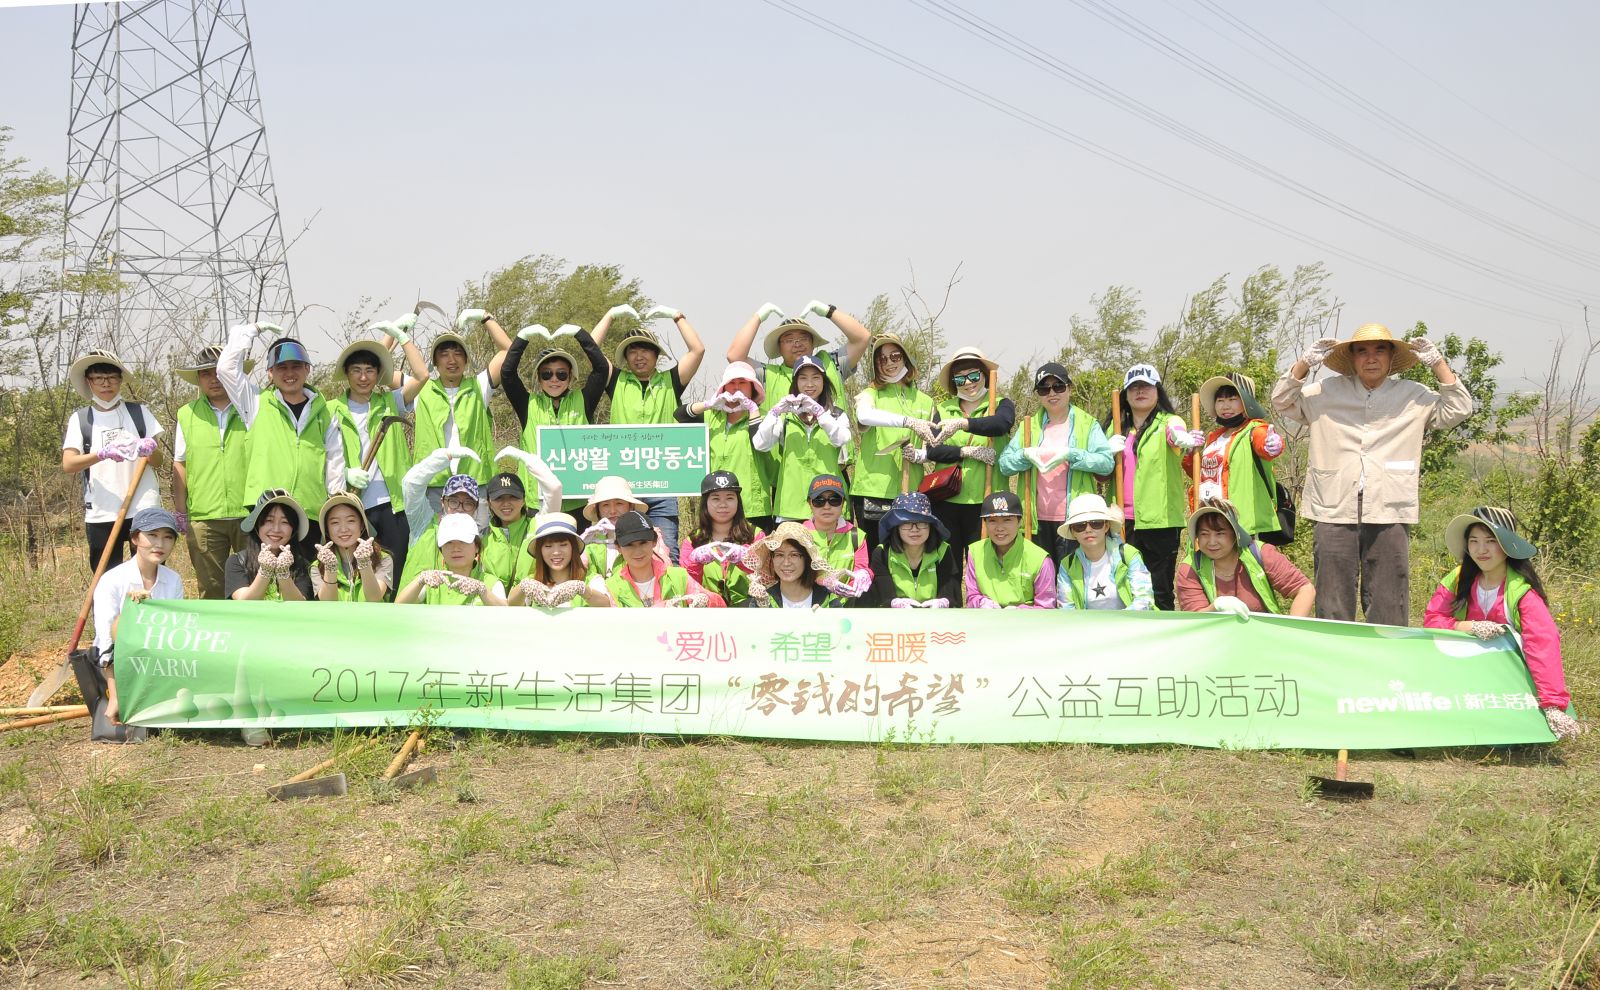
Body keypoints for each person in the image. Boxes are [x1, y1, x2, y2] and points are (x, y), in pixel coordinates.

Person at [1272, 324, 1472, 625]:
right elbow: (1281, 401)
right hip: (1334, 504)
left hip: (1389, 504)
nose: (1371, 358)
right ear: (1352, 358)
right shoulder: (1326, 392)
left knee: (1388, 597)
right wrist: (1304, 363)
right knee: (1333, 597)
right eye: (1362, 351)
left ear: (1391, 357)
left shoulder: (1412, 395)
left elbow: (1459, 408)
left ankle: (1388, 653)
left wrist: (1437, 363)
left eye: (1380, 350)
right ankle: (1336, 652)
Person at [1423, 507, 1579, 740]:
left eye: (1490, 541)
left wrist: (1552, 705)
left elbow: (1542, 644)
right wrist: (1466, 627)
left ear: (1507, 545)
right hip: (1465, 671)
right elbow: (1432, 619)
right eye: (1474, 541)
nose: (1481, 550)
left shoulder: (1522, 593)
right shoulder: (1458, 578)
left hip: (1510, 678)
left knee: (1508, 740)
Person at [593, 302, 706, 560]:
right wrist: (610, 314)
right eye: (632, 351)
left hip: (662, 484)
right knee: (620, 554)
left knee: (667, 554)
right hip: (624, 488)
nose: (639, 356)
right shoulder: (616, 380)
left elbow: (697, 350)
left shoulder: (671, 381)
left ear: (656, 355)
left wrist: (677, 316)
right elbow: (590, 347)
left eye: (645, 349)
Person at [219, 323, 347, 540]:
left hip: (310, 512)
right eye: (281, 367)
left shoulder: (324, 412)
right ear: (270, 373)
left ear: (307, 369)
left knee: (309, 564)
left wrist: (336, 505)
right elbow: (225, 370)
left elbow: (335, 462)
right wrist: (249, 333)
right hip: (266, 512)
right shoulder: (255, 403)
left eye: (296, 366)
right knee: (265, 564)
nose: (289, 373)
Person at [329, 326, 427, 581]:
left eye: (370, 370)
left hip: (393, 504)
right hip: (354, 505)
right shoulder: (330, 409)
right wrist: (344, 473)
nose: (363, 377)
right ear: (347, 373)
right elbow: (320, 454)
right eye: (356, 370)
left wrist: (403, 338)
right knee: (359, 572)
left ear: (378, 374)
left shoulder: (390, 402)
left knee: (397, 570)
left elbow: (422, 375)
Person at [1102, 364, 1198, 612]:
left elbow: (1176, 433)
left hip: (1160, 521)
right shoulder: (1116, 428)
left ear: (1157, 390)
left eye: (1146, 386)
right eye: (1134, 387)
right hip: (1120, 520)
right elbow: (1101, 476)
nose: (1140, 391)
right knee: (1124, 586)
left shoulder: (1169, 421)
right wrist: (1105, 453)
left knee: (1159, 589)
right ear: (1125, 394)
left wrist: (1181, 438)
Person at [60, 348, 164, 570]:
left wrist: (148, 448)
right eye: (99, 378)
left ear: (120, 380)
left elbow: (158, 461)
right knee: (105, 574)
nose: (106, 384)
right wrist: (101, 454)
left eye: (112, 378)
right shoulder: (81, 419)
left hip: (143, 506)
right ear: (89, 382)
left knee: (150, 571)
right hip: (102, 509)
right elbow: (68, 464)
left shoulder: (139, 413)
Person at [997, 362, 1114, 555]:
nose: (1051, 393)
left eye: (1058, 386)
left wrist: (1071, 454)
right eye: (1044, 389)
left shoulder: (1087, 423)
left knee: (1071, 573)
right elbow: (1005, 464)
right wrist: (1024, 455)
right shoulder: (1029, 425)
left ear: (1069, 388)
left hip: (1075, 521)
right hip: (1035, 521)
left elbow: (1106, 463)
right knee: (1041, 574)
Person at [922, 346, 1015, 579]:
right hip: (948, 498)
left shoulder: (1000, 404)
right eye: (960, 378)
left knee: (984, 567)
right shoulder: (943, 409)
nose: (968, 383)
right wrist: (964, 452)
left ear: (984, 375)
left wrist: (964, 424)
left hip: (987, 501)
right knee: (948, 568)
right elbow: (933, 450)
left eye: (973, 375)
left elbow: (1001, 424)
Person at [92, 507, 185, 724]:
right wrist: (116, 697)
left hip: (161, 662)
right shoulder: (112, 580)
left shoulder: (173, 580)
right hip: (121, 665)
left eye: (168, 537)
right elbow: (106, 639)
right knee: (120, 622)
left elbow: (176, 631)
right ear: (135, 539)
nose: (160, 544)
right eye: (152, 535)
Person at [408, 308, 512, 502]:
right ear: (435, 361)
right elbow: (379, 373)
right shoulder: (421, 390)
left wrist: (485, 317)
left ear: (466, 360)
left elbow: (508, 351)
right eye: (444, 354)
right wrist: (399, 333)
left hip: (476, 481)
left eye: (458, 353)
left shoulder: (479, 386)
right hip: (434, 483)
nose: (452, 360)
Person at [501, 322, 608, 505]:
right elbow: (507, 373)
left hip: (576, 501)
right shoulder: (528, 404)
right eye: (547, 374)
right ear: (538, 378)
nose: (554, 380)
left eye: (561, 374)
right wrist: (523, 337)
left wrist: (580, 333)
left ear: (570, 376)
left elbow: (602, 369)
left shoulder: (583, 400)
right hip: (537, 501)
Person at [851, 332, 937, 555]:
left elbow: (934, 446)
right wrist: (907, 421)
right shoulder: (870, 394)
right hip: (873, 489)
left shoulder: (926, 401)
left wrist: (920, 455)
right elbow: (864, 416)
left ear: (906, 358)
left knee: (908, 555)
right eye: (882, 359)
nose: (889, 363)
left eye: (895, 356)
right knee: (876, 555)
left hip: (911, 492)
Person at [172, 345, 247, 598]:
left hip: (250, 513)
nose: (214, 379)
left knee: (255, 585)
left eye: (219, 372)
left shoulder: (252, 408)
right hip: (205, 516)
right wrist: (181, 511)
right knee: (212, 588)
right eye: (206, 373)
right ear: (198, 378)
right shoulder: (187, 414)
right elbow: (180, 464)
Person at [724, 300, 871, 415]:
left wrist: (829, 311)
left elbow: (862, 338)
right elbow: (735, 356)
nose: (797, 344)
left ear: (813, 343)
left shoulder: (831, 363)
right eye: (789, 340)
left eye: (803, 338)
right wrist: (758, 317)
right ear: (779, 348)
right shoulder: (767, 375)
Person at [1182, 373, 1285, 537]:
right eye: (1220, 400)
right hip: (1211, 519)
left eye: (1232, 399)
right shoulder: (1213, 438)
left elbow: (1264, 444)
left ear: (1246, 403)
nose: (1225, 406)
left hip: (1243, 524)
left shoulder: (1255, 430)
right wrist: (1190, 453)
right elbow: (1203, 475)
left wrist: (1272, 445)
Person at [1175, 498, 1315, 617]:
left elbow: (1305, 589)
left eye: (1220, 533)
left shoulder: (1260, 553)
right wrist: (1216, 607)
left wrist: (1289, 633)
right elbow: (1195, 620)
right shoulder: (1190, 569)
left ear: (1235, 534)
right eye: (1204, 534)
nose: (1212, 542)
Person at [675, 362, 774, 530]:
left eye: (742, 383)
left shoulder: (764, 417)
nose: (736, 388)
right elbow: (680, 415)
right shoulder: (712, 416)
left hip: (752, 506)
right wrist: (709, 404)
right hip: (716, 506)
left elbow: (760, 443)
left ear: (752, 388)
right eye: (731, 383)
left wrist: (752, 409)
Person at [753, 356, 852, 521]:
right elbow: (760, 444)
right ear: (796, 383)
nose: (810, 384)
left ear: (824, 381)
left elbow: (842, 439)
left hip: (828, 503)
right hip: (790, 506)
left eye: (816, 378)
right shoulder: (785, 416)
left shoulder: (836, 414)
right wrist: (774, 413)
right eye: (803, 378)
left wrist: (820, 413)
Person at [396, 447, 483, 591]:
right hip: (412, 603)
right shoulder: (423, 523)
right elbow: (410, 484)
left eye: (468, 503)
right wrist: (444, 456)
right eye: (453, 501)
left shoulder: (476, 539)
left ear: (476, 508)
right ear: (443, 502)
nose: (460, 508)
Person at [1055, 494, 1155, 611]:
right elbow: (1066, 609)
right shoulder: (1067, 565)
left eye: (1096, 523)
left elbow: (1144, 600)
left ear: (1106, 526)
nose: (1088, 529)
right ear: (1073, 532)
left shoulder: (1128, 555)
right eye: (1080, 526)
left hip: (1129, 621)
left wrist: (1117, 620)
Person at [603, 511, 725, 607]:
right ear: (618, 547)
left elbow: (719, 605)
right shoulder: (612, 587)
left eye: (643, 542)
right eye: (629, 545)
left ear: (654, 541)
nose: (638, 551)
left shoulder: (678, 576)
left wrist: (707, 600)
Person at [680, 471, 763, 608]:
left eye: (730, 498)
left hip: (750, 609)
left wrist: (746, 559)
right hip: (707, 609)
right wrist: (695, 563)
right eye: (716, 499)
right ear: (705, 503)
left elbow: (768, 577)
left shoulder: (755, 535)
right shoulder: (693, 540)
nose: (723, 504)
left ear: (738, 501)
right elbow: (686, 586)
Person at [964, 491, 1056, 609]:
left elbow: (1046, 608)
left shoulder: (1040, 559)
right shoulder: (975, 552)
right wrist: (981, 602)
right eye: (992, 521)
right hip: (986, 617)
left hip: (1026, 620)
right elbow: (971, 596)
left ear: (1019, 522)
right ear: (985, 523)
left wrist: (1020, 612)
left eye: (1007, 520)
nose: (1000, 528)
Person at [864, 492, 959, 608]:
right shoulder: (882, 554)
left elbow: (949, 594)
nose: (914, 529)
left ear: (930, 525)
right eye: (906, 523)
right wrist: (894, 603)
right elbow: (884, 597)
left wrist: (942, 602)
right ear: (896, 526)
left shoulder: (943, 551)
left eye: (921, 523)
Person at [395, 513, 507, 605]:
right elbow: (398, 607)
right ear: (441, 549)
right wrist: (420, 580)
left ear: (476, 547)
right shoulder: (433, 581)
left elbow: (505, 614)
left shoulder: (491, 583)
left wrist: (483, 591)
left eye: (463, 541)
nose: (456, 548)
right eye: (449, 542)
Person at [226, 489, 315, 601]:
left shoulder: (302, 565)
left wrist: (283, 574)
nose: (276, 529)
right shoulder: (237, 561)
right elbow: (244, 603)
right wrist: (265, 572)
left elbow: (299, 605)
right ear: (256, 525)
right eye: (269, 520)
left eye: (285, 522)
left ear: (293, 529)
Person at [507, 512, 611, 608]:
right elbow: (511, 605)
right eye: (548, 546)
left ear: (573, 547)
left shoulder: (591, 579)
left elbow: (607, 605)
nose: (556, 552)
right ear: (540, 550)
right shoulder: (534, 583)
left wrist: (583, 590)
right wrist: (523, 587)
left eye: (563, 545)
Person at [580, 475, 671, 577]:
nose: (612, 511)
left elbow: (664, 569)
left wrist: (625, 537)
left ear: (630, 506)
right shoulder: (592, 537)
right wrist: (579, 547)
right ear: (598, 510)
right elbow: (577, 574)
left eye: (619, 503)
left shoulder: (648, 532)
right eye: (605, 505)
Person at [801, 475, 872, 602]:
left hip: (844, 607)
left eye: (834, 500)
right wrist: (822, 582)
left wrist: (864, 576)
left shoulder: (856, 536)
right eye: (819, 501)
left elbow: (860, 569)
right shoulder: (798, 535)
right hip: (805, 605)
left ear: (843, 503)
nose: (827, 506)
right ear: (810, 504)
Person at [743, 522, 847, 609]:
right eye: (779, 555)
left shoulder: (827, 598)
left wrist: (824, 620)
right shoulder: (762, 600)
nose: (786, 563)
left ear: (807, 559)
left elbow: (841, 626)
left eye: (794, 555)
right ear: (772, 559)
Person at [312, 493, 392, 602]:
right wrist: (330, 568)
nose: (343, 529)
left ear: (362, 525)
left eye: (350, 521)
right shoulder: (317, 566)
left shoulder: (383, 559)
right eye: (335, 522)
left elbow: (374, 598)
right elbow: (328, 603)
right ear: (327, 529)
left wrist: (364, 563)